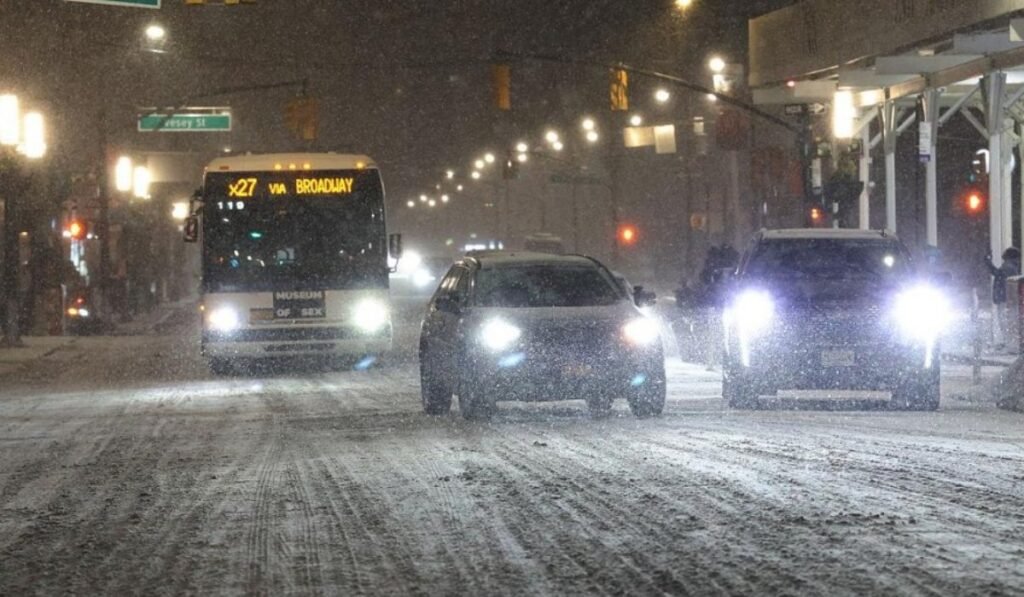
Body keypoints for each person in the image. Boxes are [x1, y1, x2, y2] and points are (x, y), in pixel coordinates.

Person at [985, 246, 1021, 350]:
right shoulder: (1012, 266)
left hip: (1004, 299)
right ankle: (1010, 345)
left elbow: (997, 274)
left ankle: (1010, 346)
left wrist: (988, 262)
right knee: (1007, 323)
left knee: (1005, 323)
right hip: (1007, 299)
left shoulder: (1008, 266)